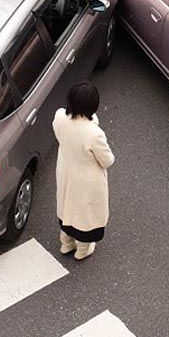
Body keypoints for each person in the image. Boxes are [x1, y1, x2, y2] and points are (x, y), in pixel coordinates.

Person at [52, 82, 115, 260]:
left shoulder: (59, 117)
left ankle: (66, 243)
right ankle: (82, 250)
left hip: (65, 169)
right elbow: (107, 161)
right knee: (85, 214)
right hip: (87, 180)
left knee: (66, 207)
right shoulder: (94, 134)